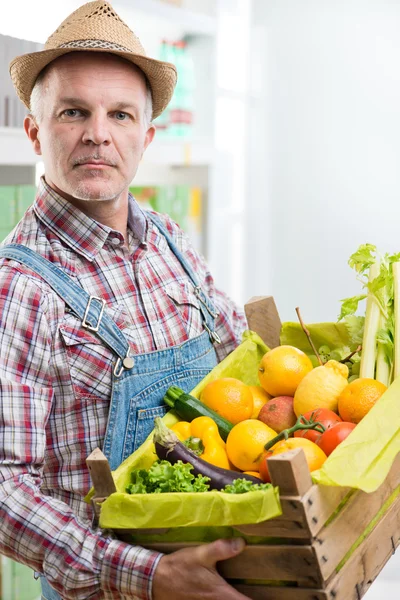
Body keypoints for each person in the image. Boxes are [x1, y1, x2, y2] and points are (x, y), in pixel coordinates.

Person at [0, 2, 250, 599]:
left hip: (224, 570)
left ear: (146, 135)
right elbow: (5, 486)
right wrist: (153, 575)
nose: (98, 132)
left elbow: (239, 359)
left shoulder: (169, 239)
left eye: (119, 114)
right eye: (73, 112)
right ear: (35, 130)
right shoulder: (20, 285)